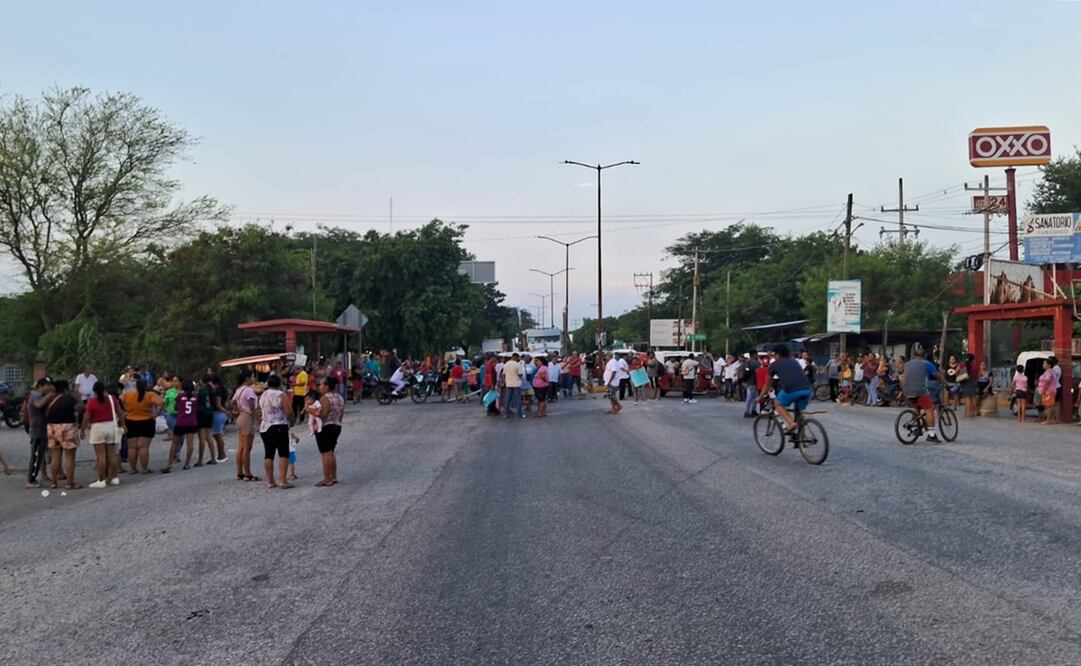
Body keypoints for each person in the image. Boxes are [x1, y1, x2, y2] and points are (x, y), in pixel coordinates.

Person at [758, 344, 813, 436]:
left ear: (778, 355)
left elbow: (767, 384)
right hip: (807, 390)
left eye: (774, 355)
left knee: (777, 403)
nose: (774, 357)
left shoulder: (774, 365)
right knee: (798, 411)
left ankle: (791, 423)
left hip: (792, 389)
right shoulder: (794, 361)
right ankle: (801, 436)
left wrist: (760, 397)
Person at [81, 381, 125, 488]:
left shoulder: (92, 402)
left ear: (94, 391)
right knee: (112, 454)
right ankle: (114, 477)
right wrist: (123, 424)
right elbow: (119, 412)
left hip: (98, 427)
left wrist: (82, 429)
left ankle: (101, 479)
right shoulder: (111, 399)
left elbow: (87, 417)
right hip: (111, 426)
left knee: (101, 456)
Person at [44, 380, 83, 490]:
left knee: (55, 456)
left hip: (52, 427)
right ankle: (69, 483)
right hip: (68, 427)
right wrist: (78, 398)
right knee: (69, 456)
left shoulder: (50, 399)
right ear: (66, 389)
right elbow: (80, 408)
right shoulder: (69, 398)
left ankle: (53, 482)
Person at [259, 374, 295, 489]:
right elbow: (289, 411)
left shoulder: (263, 395)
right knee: (283, 453)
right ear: (279, 383)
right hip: (279, 425)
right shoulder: (281, 395)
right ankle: (283, 480)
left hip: (265, 427)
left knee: (268, 454)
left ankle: (270, 481)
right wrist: (292, 421)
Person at [123, 379, 162, 474]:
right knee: (143, 447)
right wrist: (156, 414)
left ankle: (133, 469)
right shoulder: (150, 395)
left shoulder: (128, 395)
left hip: (130, 421)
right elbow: (161, 402)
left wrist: (126, 411)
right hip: (146, 421)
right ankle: (144, 469)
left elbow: (121, 400)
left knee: (132, 447)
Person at [902, 347, 940, 442]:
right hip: (921, 391)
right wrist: (945, 383)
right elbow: (937, 375)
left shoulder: (907, 364)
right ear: (924, 356)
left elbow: (904, 378)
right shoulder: (927, 364)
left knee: (916, 409)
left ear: (914, 355)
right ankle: (932, 435)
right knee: (929, 410)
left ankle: (917, 428)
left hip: (907, 391)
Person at [313, 376, 345, 486]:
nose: (320, 387)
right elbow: (341, 413)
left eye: (321, 384)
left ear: (327, 386)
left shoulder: (325, 398)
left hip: (325, 426)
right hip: (336, 425)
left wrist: (311, 411)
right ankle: (333, 476)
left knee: (325, 453)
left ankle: (327, 479)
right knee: (331, 451)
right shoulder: (340, 397)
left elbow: (323, 414)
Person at [230, 371, 260, 481]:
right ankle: (248, 473)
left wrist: (238, 410)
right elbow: (253, 408)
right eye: (251, 376)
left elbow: (232, 402)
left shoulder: (238, 390)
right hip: (247, 418)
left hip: (241, 417)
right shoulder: (248, 391)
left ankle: (240, 472)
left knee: (241, 447)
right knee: (247, 448)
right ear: (247, 378)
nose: (253, 378)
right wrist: (259, 420)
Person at [165, 380, 200, 472]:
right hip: (192, 421)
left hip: (181, 421)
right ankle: (187, 463)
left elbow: (175, 407)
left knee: (175, 443)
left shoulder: (180, 396)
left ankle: (169, 463)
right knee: (190, 444)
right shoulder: (196, 397)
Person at [25, 378, 52, 488]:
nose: (48, 389)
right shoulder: (35, 396)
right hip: (37, 431)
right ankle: (30, 481)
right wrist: (49, 396)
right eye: (47, 386)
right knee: (35, 456)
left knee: (40, 456)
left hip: (42, 430)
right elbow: (38, 405)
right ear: (41, 386)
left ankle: (34, 479)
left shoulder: (40, 396)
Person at [209, 374, 230, 463]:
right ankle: (221, 454)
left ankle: (222, 454)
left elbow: (218, 405)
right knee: (218, 435)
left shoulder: (217, 391)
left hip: (218, 413)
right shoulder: (224, 390)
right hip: (222, 414)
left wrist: (225, 411)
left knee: (217, 435)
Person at [502, 353, 524, 419]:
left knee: (507, 399)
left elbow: (503, 374)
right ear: (516, 357)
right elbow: (520, 374)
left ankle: (506, 414)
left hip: (508, 384)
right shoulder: (517, 365)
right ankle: (519, 415)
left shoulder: (506, 364)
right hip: (516, 384)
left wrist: (505, 382)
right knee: (518, 400)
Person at [1038, 358, 1058, 425]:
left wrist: (1043, 390)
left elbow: (1047, 381)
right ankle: (1051, 419)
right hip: (1050, 390)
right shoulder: (1049, 371)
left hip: (1048, 390)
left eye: (1045, 363)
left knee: (1049, 406)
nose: (1043, 365)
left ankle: (1048, 420)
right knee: (1050, 405)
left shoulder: (1049, 372)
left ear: (1049, 365)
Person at [742, 352, 760, 417]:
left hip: (746, 381)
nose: (758, 355)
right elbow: (758, 372)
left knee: (752, 396)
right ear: (754, 354)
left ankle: (753, 410)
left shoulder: (747, 361)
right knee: (751, 397)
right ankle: (747, 411)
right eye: (757, 354)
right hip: (752, 382)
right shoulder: (755, 362)